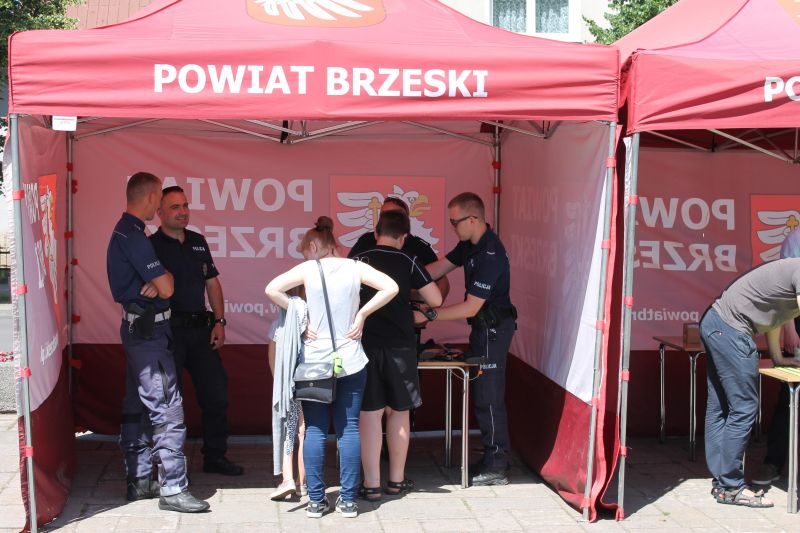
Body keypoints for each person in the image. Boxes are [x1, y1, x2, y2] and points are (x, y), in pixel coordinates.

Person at [265, 216, 398, 519]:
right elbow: (391, 287)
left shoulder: (307, 270)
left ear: (314, 246)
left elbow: (272, 289)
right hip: (351, 358)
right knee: (348, 428)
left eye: (305, 252)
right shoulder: (355, 267)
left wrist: (300, 316)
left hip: (314, 361)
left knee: (314, 429)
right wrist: (362, 314)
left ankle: (315, 501)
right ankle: (348, 501)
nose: (305, 258)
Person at [106, 172, 209, 513]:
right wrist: (165, 279)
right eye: (161, 198)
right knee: (166, 406)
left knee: (136, 403)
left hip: (140, 330)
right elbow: (167, 287)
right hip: (149, 334)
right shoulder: (135, 236)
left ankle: (139, 479)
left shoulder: (128, 231)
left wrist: (163, 279)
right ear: (152, 197)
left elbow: (163, 282)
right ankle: (173, 487)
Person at [420, 192, 516, 486]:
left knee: (489, 397)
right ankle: (491, 456)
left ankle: (497, 465)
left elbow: (471, 307)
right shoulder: (469, 245)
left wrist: (430, 314)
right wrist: (405, 277)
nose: (452, 227)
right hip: (483, 328)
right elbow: (438, 268)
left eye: (454, 222)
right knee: (482, 395)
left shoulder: (491, 254)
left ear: (472, 219)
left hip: (493, 330)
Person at [150, 186, 243, 477]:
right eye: (175, 207)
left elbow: (212, 283)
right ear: (159, 213)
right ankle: (168, 466)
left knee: (216, 394)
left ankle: (215, 457)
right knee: (168, 401)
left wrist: (220, 321)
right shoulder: (151, 246)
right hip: (168, 332)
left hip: (201, 332)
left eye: (185, 205)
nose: (183, 212)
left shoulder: (198, 241)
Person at [351, 210, 442, 501]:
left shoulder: (358, 259)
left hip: (364, 344)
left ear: (376, 233)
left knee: (369, 414)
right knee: (399, 411)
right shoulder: (408, 259)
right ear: (404, 237)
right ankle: (396, 481)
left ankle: (371, 485)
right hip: (401, 346)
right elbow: (436, 299)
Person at [699, 257, 800, 507]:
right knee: (743, 407)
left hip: (716, 323)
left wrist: (778, 358)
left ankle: (723, 484)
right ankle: (731, 486)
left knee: (721, 407)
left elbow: (775, 317)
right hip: (730, 329)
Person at [752, 228, 800, 485]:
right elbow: (786, 290)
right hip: (796, 316)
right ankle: (773, 462)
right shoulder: (796, 238)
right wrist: (790, 329)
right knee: (789, 395)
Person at [348, 196, 449, 302]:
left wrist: (421, 304)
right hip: (367, 308)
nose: (389, 220)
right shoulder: (365, 242)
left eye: (394, 215)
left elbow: (442, 283)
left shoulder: (418, 248)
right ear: (376, 233)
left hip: (407, 308)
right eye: (384, 215)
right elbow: (347, 277)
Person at [267, 288, 307, 500]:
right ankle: (303, 483)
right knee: (305, 432)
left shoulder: (278, 325)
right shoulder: (313, 324)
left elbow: (273, 358)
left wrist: (280, 385)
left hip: (288, 388)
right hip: (311, 384)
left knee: (288, 432)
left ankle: (288, 478)